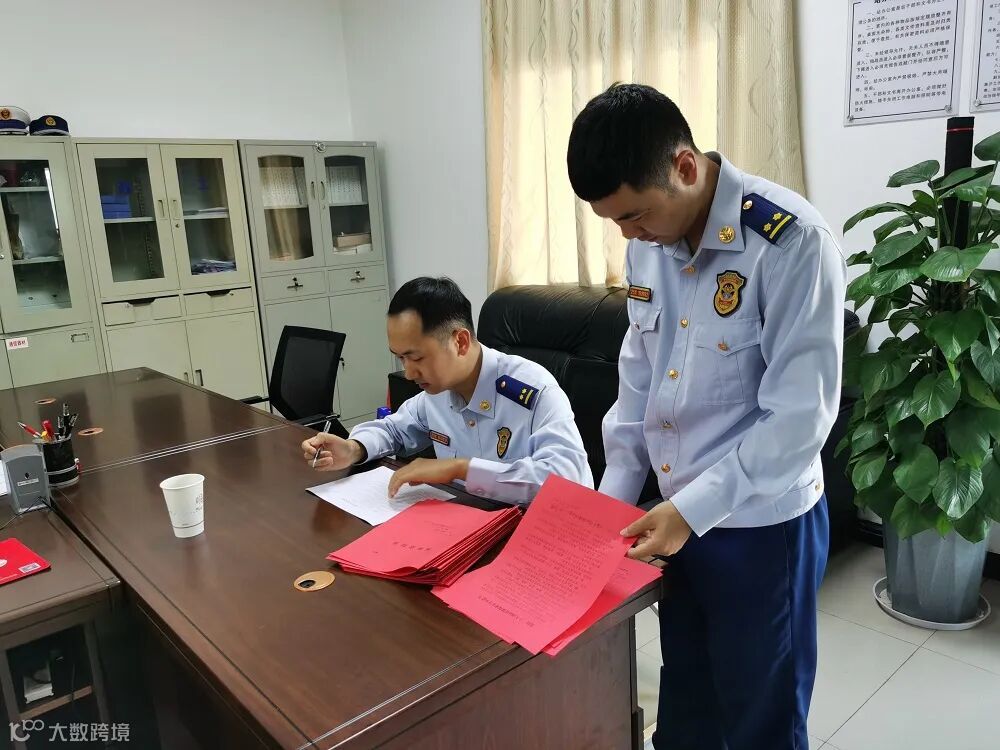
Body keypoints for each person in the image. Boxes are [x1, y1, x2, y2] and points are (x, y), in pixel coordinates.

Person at [567, 83, 846, 750]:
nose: (628, 234)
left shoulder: (790, 243)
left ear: (685, 167)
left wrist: (691, 511)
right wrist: (609, 506)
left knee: (761, 715)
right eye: (613, 221)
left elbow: (799, 419)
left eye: (635, 214)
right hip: (673, 518)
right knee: (688, 700)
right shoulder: (646, 245)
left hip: (761, 525)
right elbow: (637, 383)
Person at [301, 277, 593, 503]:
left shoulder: (532, 390)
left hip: (537, 534)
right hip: (467, 525)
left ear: (460, 342)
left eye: (416, 358)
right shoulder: (437, 392)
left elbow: (567, 479)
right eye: (401, 358)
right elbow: (393, 430)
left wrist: (461, 469)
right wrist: (353, 448)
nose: (409, 373)